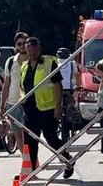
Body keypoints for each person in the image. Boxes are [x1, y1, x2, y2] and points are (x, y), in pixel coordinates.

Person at [20, 37, 74, 178]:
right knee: (30, 140)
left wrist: (58, 107)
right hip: (31, 109)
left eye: (34, 50)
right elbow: (23, 87)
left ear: (39, 49)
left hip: (47, 109)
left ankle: (67, 159)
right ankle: (31, 171)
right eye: (29, 50)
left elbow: (58, 85)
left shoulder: (49, 63)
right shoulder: (24, 66)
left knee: (51, 139)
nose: (31, 53)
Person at [0, 32, 28, 153]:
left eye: (24, 43)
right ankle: (25, 161)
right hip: (13, 103)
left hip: (28, 102)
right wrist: (2, 107)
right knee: (18, 135)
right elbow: (6, 85)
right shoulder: (11, 61)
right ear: (16, 46)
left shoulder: (33, 60)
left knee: (30, 135)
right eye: (19, 44)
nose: (22, 46)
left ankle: (32, 160)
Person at [56, 47, 81, 144]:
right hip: (68, 90)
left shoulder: (55, 62)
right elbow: (77, 76)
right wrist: (78, 86)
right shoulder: (72, 63)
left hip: (58, 90)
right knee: (71, 108)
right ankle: (72, 123)